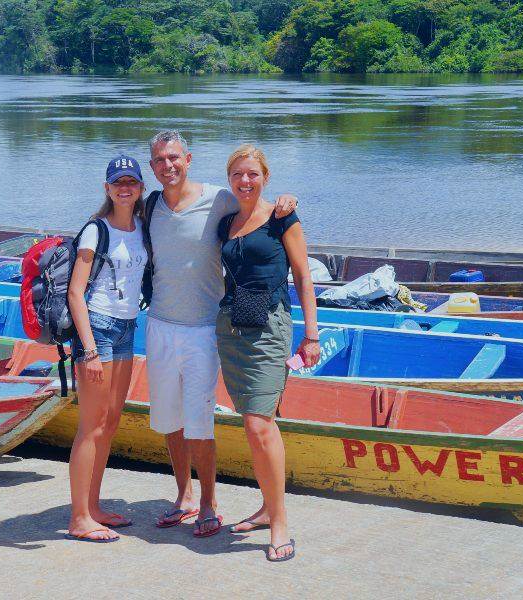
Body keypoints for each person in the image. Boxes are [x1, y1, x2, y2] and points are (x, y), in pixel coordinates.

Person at [144, 131, 298, 537]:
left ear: (189, 159)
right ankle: (185, 496)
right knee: (169, 421)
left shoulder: (220, 199)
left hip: (205, 329)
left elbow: (259, 205)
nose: (168, 166)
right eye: (160, 160)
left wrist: (287, 202)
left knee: (200, 422)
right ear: (152, 166)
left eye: (174, 157)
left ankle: (210, 502)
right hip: (159, 325)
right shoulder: (149, 206)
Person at [216, 144, 320, 562]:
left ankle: (279, 523)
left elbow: (302, 275)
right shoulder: (226, 222)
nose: (245, 181)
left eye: (253, 174)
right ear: (229, 179)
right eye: (238, 174)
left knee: (261, 425)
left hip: (270, 327)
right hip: (231, 327)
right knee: (253, 424)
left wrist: (311, 335)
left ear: (266, 178)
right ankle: (265, 508)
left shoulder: (282, 218)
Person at [66, 154, 148, 542]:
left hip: (127, 327)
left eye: (131, 182)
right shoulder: (95, 231)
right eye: (118, 183)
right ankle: (79, 517)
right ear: (107, 188)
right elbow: (75, 293)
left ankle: (94, 506)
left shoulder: (141, 227)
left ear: (140, 188)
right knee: (92, 426)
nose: (125, 188)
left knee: (111, 422)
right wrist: (90, 351)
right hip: (97, 330)